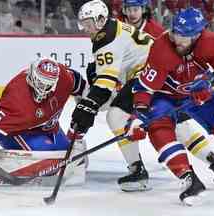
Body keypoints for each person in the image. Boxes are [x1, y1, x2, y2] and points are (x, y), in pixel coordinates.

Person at [119, 0, 214, 186]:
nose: (175, 38)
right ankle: (188, 178)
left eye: (182, 36)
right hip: (164, 95)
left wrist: (211, 86)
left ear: (196, 36)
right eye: (174, 32)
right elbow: (145, 88)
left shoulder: (211, 43)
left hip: (196, 91)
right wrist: (138, 116)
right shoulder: (162, 47)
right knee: (158, 128)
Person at [0, 57, 87, 189]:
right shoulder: (16, 99)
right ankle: (6, 168)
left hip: (48, 127)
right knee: (55, 161)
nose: (43, 88)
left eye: (48, 84)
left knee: (68, 155)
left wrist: (88, 105)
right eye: (40, 83)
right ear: (32, 75)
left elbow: (81, 86)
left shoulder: (64, 78)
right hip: (20, 132)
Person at [72, 0, 154, 192]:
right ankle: (213, 161)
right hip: (151, 73)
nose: (85, 28)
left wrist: (88, 106)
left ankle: (137, 171)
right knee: (176, 121)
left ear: (100, 20)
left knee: (115, 116)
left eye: (88, 23)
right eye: (83, 24)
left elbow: (106, 84)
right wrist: (90, 103)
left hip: (148, 75)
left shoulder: (106, 37)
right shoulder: (110, 28)